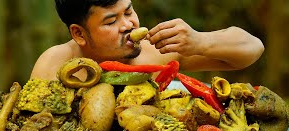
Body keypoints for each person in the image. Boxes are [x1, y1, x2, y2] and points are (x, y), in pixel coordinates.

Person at [31, 0, 264, 81]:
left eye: (129, 11)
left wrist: (199, 41)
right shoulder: (55, 64)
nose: (129, 25)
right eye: (111, 22)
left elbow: (253, 49)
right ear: (79, 34)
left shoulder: (158, 51)